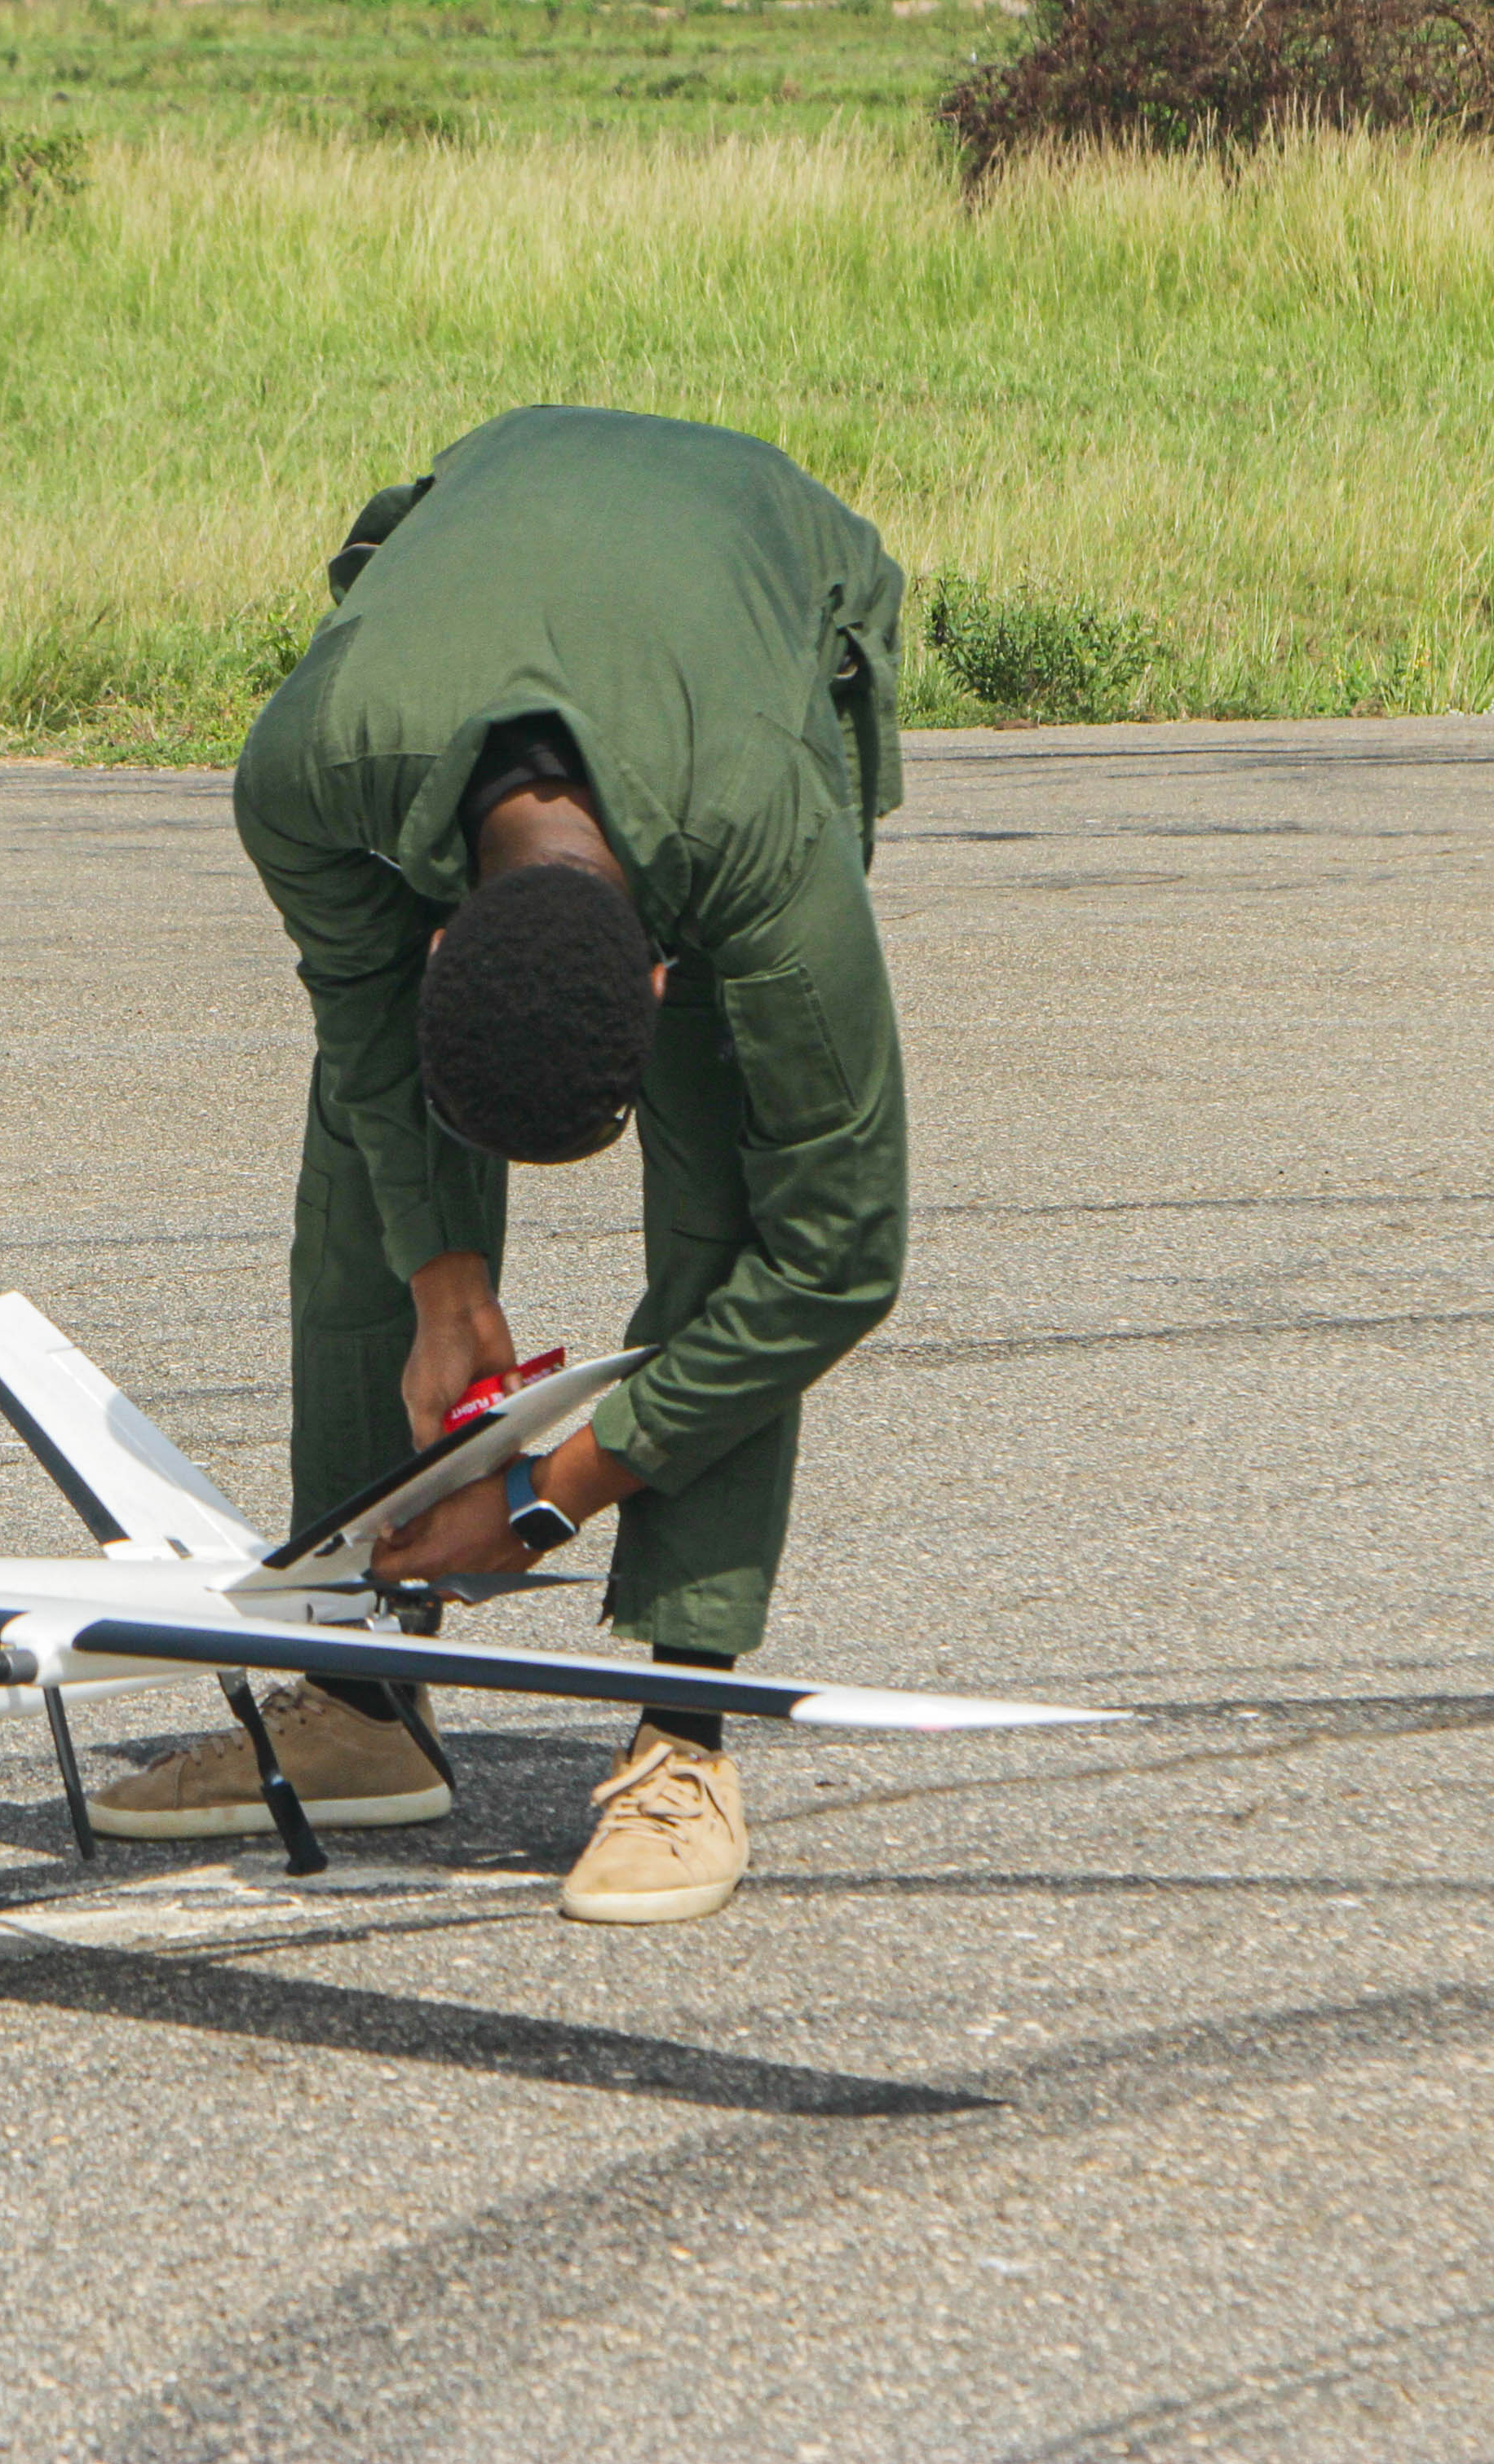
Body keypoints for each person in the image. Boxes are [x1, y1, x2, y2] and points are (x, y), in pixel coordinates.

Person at [90, 405, 911, 1923]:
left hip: (750, 602)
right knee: (368, 1164)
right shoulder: (309, 774)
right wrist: (442, 1287)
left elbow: (840, 1255)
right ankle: (359, 1697)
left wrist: (547, 1494)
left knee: (732, 1215)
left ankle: (684, 1742)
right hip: (475, 599)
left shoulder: (761, 849)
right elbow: (364, 1022)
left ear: (662, 977)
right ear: (440, 942)